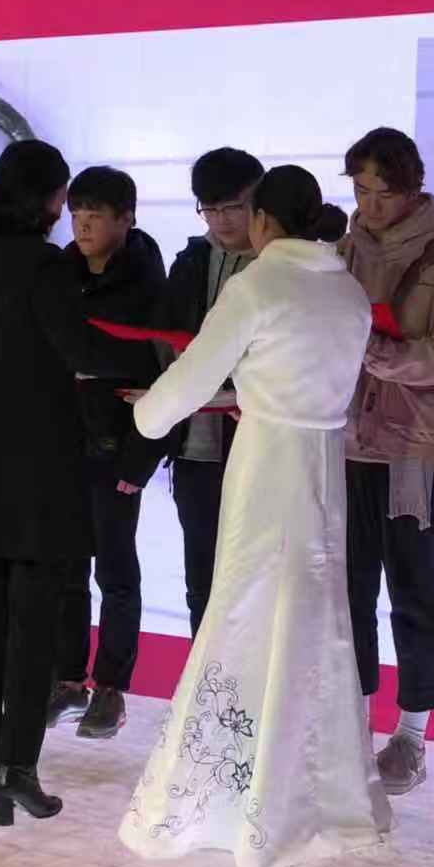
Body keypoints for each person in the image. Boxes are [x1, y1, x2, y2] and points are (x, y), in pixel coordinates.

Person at [120, 165, 390, 867]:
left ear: (264, 220)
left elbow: (190, 378)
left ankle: (235, 802)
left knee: (244, 612)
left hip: (268, 463)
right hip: (324, 465)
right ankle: (318, 795)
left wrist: (146, 416)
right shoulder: (348, 289)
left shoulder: (258, 285)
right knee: (314, 623)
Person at [0, 140, 154, 826]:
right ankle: (17, 766)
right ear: (49, 198)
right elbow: (79, 349)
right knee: (34, 623)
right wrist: (156, 359)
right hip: (38, 466)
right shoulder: (46, 266)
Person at [339, 127, 434, 795]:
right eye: (360, 191)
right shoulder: (342, 249)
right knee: (348, 588)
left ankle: (413, 735)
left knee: (411, 588)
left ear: (413, 188)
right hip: (346, 438)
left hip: (414, 446)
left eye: (383, 193)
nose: (370, 205)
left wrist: (380, 354)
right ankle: (353, 723)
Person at [50, 166, 167, 740]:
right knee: (66, 567)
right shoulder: (59, 273)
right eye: (76, 214)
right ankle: (68, 680)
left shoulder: (149, 280)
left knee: (116, 571)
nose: (83, 226)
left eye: (95, 215)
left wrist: (141, 459)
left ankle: (112, 688)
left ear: (127, 218)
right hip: (61, 442)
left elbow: (166, 373)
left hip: (119, 444)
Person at [152, 147, 264, 637]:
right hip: (195, 446)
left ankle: (248, 681)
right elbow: (167, 335)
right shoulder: (192, 260)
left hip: (256, 445)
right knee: (200, 577)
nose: (221, 220)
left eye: (233, 207)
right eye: (210, 209)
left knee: (252, 580)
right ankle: (204, 678)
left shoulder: (276, 265)